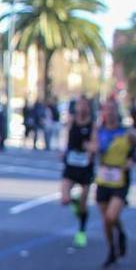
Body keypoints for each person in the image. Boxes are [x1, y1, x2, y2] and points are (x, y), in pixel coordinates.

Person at [90, 99, 136, 268]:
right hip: (103, 178)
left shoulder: (127, 132)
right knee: (106, 220)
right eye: (106, 110)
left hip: (120, 178)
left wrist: (133, 160)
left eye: (112, 110)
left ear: (117, 112)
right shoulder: (98, 131)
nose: (109, 113)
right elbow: (92, 149)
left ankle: (120, 234)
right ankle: (111, 250)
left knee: (111, 216)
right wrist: (92, 149)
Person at [59, 96, 96, 248]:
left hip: (86, 167)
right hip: (71, 164)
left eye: (85, 106)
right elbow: (64, 138)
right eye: (80, 105)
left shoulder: (93, 125)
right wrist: (62, 151)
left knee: (83, 204)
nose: (82, 109)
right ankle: (73, 202)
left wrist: (90, 148)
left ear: (88, 108)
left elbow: (95, 145)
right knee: (65, 199)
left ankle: (81, 231)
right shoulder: (71, 121)